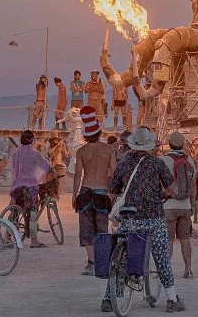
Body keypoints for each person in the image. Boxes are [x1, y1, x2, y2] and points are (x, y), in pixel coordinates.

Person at [105, 127, 186, 313]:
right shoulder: (156, 164)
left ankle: (108, 298)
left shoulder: (123, 164)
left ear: (132, 145)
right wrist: (161, 194)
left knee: (119, 259)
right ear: (150, 146)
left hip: (129, 217)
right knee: (161, 257)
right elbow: (173, 189)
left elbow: (112, 192)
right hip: (153, 217)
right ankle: (172, 299)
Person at [72, 107, 115, 275]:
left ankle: (91, 263)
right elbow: (114, 173)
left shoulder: (81, 151)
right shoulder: (108, 150)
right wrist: (112, 194)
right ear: (99, 133)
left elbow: (77, 176)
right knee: (102, 229)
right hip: (102, 193)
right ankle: (103, 262)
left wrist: (74, 195)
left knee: (87, 229)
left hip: (85, 192)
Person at [161, 132, 196, 278]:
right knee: (185, 240)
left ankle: (165, 271)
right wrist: (192, 205)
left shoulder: (163, 160)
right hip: (185, 205)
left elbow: (160, 185)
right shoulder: (190, 160)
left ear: (169, 144)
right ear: (183, 144)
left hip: (168, 205)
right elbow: (193, 185)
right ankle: (188, 270)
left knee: (168, 239)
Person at [11, 129, 53, 248]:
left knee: (16, 210)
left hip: (17, 186)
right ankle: (34, 241)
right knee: (33, 212)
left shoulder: (16, 153)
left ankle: (9, 235)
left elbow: (13, 170)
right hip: (30, 187)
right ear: (32, 140)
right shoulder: (34, 153)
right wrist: (52, 170)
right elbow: (45, 166)